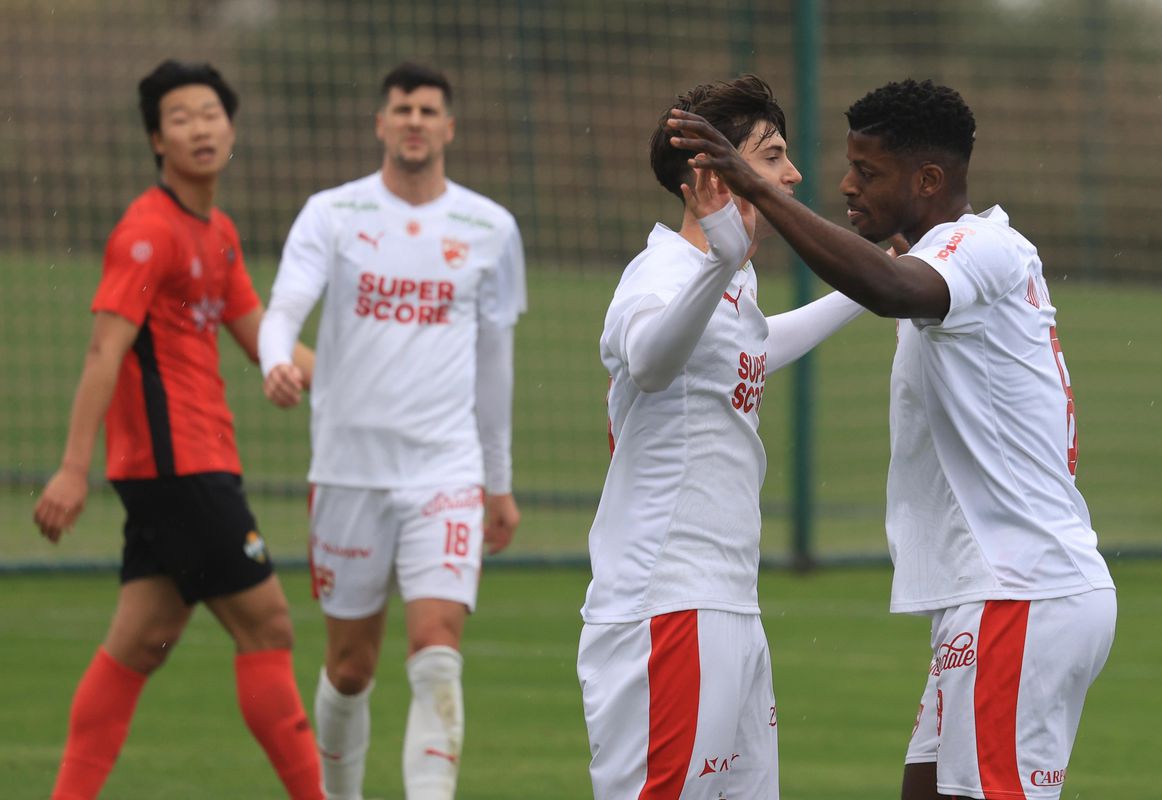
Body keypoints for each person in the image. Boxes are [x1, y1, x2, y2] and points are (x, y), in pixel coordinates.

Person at [668, 78, 1117, 800]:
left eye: (867, 172)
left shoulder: (978, 246)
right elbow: (885, 284)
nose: (847, 185)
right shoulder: (954, 252)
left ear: (928, 180)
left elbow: (892, 289)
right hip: (992, 596)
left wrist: (757, 189)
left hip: (1023, 591)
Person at [31, 60, 322, 800]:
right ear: (157, 140)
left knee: (140, 643)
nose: (199, 128)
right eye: (180, 118)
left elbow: (263, 339)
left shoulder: (217, 232)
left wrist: (368, 384)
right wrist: (72, 468)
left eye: (210, 114)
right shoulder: (146, 232)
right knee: (269, 626)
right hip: (180, 467)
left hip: (188, 465)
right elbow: (104, 351)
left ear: (231, 128)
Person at [578, 75, 866, 799]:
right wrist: (718, 263)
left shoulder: (733, 282)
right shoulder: (661, 271)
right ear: (711, 174)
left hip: (727, 600)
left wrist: (873, 283)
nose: (792, 174)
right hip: (666, 602)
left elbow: (757, 346)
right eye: (771, 156)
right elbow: (649, 362)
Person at [258, 62, 525, 800]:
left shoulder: (490, 228)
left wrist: (497, 482)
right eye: (402, 109)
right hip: (348, 472)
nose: (414, 121)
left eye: (428, 110)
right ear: (381, 124)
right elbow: (284, 310)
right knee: (350, 668)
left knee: (437, 648)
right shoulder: (332, 214)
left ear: (449, 128)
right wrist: (276, 361)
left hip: (446, 471)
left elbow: (495, 365)